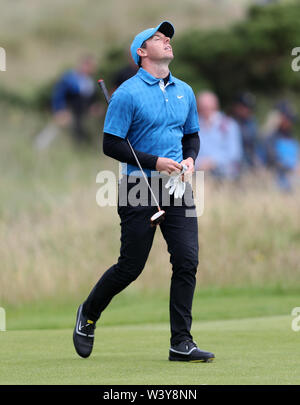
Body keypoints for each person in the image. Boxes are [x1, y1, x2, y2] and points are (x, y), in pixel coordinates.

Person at [73, 21, 215, 363]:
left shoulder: (185, 90)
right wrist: (155, 162)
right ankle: (88, 313)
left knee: (187, 260)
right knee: (130, 267)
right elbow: (111, 143)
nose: (166, 40)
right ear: (141, 52)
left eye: (167, 37)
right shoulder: (126, 94)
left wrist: (190, 159)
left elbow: (191, 135)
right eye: (157, 38)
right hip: (139, 186)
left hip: (177, 185)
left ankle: (181, 342)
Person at [34, 55, 99, 149]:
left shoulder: (90, 82)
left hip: (81, 114)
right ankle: (39, 146)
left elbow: (90, 99)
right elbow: (59, 94)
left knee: (77, 136)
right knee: (54, 130)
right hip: (67, 111)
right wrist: (59, 109)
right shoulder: (70, 78)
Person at [195, 91, 243, 180]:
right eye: (202, 107)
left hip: (225, 175)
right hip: (198, 175)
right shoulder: (192, 126)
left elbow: (235, 154)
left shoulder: (229, 125)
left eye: (208, 107)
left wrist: (213, 162)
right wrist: (199, 164)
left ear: (216, 106)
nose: (205, 110)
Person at [230, 92, 258, 170]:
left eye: (249, 107)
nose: (247, 110)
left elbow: (254, 146)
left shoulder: (251, 123)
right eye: (244, 107)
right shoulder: (228, 122)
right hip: (232, 163)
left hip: (248, 162)